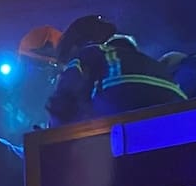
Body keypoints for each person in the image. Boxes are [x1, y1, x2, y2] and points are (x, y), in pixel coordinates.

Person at [46, 15, 187, 126]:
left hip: (123, 101)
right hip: (179, 111)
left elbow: (63, 100)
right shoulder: (145, 60)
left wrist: (51, 135)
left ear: (73, 47)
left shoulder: (88, 53)